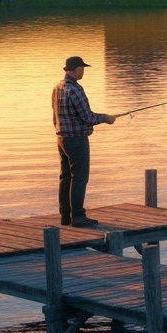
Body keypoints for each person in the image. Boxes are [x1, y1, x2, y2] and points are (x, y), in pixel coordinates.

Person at [52, 56, 116, 226]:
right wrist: (106, 118)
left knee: (65, 176)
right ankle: (78, 217)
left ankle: (65, 215)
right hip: (77, 140)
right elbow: (88, 117)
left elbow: (55, 115)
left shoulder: (58, 87)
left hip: (61, 138)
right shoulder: (75, 90)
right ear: (75, 69)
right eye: (82, 68)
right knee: (80, 177)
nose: (83, 72)